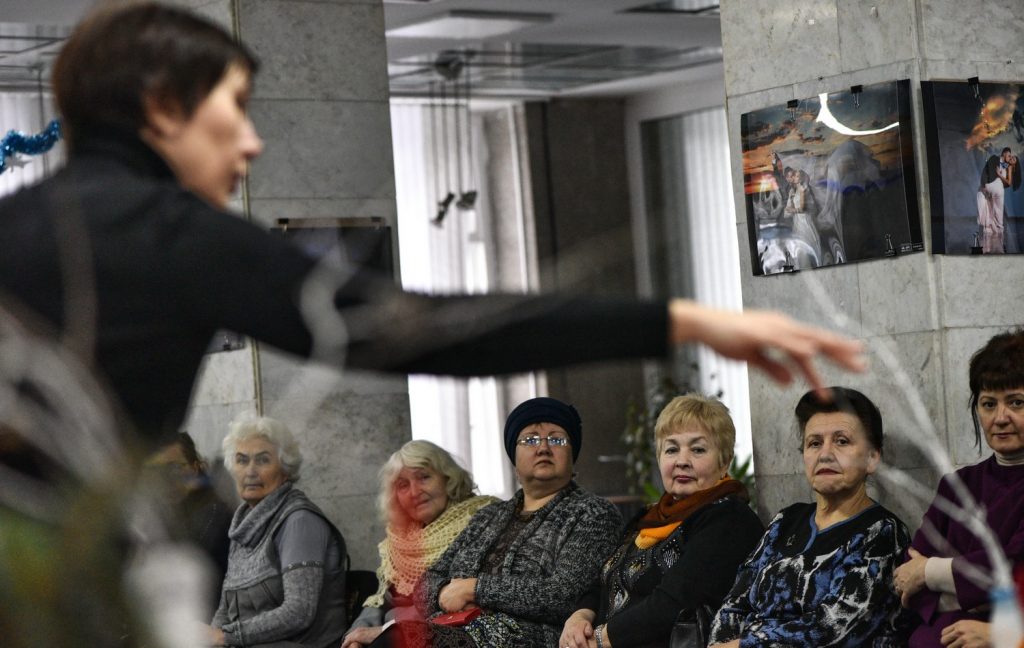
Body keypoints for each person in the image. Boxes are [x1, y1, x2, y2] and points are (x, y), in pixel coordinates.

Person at [0, 0, 865, 455]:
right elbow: (424, 331)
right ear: (162, 106)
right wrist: (681, 321)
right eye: (236, 108)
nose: (253, 142)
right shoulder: (172, 233)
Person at [370, 397, 621, 647]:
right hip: (451, 629)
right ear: (514, 456)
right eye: (530, 440)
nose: (543, 448)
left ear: (572, 454)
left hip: (523, 638)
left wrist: (475, 589)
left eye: (557, 440)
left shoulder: (593, 513)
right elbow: (426, 582)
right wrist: (444, 592)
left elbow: (565, 594)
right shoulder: (488, 515)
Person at [709, 387, 910, 647]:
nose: (825, 454)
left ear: (872, 458)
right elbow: (734, 603)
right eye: (814, 443)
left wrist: (742, 645)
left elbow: (832, 629)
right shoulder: (785, 521)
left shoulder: (883, 532)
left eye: (842, 441)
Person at [559, 394, 764, 648]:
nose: (682, 461)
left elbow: (672, 604)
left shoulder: (729, 519)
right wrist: (579, 617)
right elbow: (603, 581)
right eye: (671, 449)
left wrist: (599, 639)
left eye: (698, 449)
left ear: (725, 462)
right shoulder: (649, 517)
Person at [893, 330, 1024, 648]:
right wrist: (974, 591)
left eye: (1016, 402)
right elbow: (908, 574)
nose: (1000, 418)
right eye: (988, 404)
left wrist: (930, 572)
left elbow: (1011, 570)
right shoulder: (957, 485)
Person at [205, 416, 347, 648]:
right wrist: (211, 638)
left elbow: (298, 612)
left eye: (263, 460)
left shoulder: (300, 521)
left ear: (285, 470)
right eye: (242, 460)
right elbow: (224, 609)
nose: (250, 471)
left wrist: (225, 636)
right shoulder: (243, 525)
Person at [341, 440, 497, 648]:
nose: (414, 492)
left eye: (424, 477)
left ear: (448, 478)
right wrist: (355, 638)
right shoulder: (399, 538)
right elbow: (380, 600)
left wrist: (385, 630)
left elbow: (457, 605)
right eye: (403, 485)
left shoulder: (484, 518)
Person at [146, 431, 234, 618]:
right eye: (157, 471)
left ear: (195, 469)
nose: (167, 478)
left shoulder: (213, 516)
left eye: (176, 468)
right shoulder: (170, 517)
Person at [976, 147, 1020, 254]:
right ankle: (990, 245)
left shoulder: (1009, 167)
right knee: (991, 216)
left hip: (996, 192)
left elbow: (1008, 182)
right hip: (991, 191)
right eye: (1011, 157)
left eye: (1013, 158)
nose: (1011, 158)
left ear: (1015, 164)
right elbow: (993, 169)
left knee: (997, 217)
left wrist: (999, 175)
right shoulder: (1005, 164)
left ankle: (997, 245)